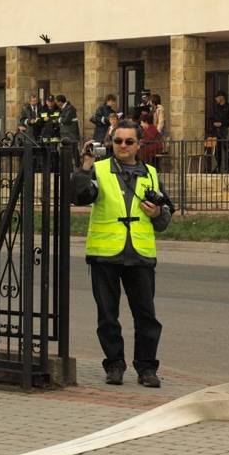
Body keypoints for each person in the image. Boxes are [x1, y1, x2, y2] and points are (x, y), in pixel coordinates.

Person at [72, 119, 173, 387]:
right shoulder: (100, 169)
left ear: (139, 145)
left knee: (146, 316)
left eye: (129, 141)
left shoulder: (151, 174)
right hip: (105, 254)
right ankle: (114, 365)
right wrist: (85, 165)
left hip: (140, 254)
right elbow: (80, 196)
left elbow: (165, 216)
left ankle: (146, 368)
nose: (123, 146)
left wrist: (157, 213)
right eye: (117, 141)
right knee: (108, 316)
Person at [211, 91, 229, 172]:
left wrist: (222, 123)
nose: (216, 99)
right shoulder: (215, 107)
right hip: (217, 131)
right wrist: (214, 123)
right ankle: (218, 167)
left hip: (226, 131)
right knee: (217, 151)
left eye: (217, 97)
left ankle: (228, 168)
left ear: (222, 97)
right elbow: (211, 118)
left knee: (227, 150)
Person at [57, 95, 81, 161]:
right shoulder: (65, 108)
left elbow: (66, 120)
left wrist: (59, 119)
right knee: (69, 152)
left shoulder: (69, 108)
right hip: (67, 134)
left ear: (60, 102)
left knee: (73, 152)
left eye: (57, 102)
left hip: (70, 134)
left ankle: (76, 165)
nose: (57, 104)